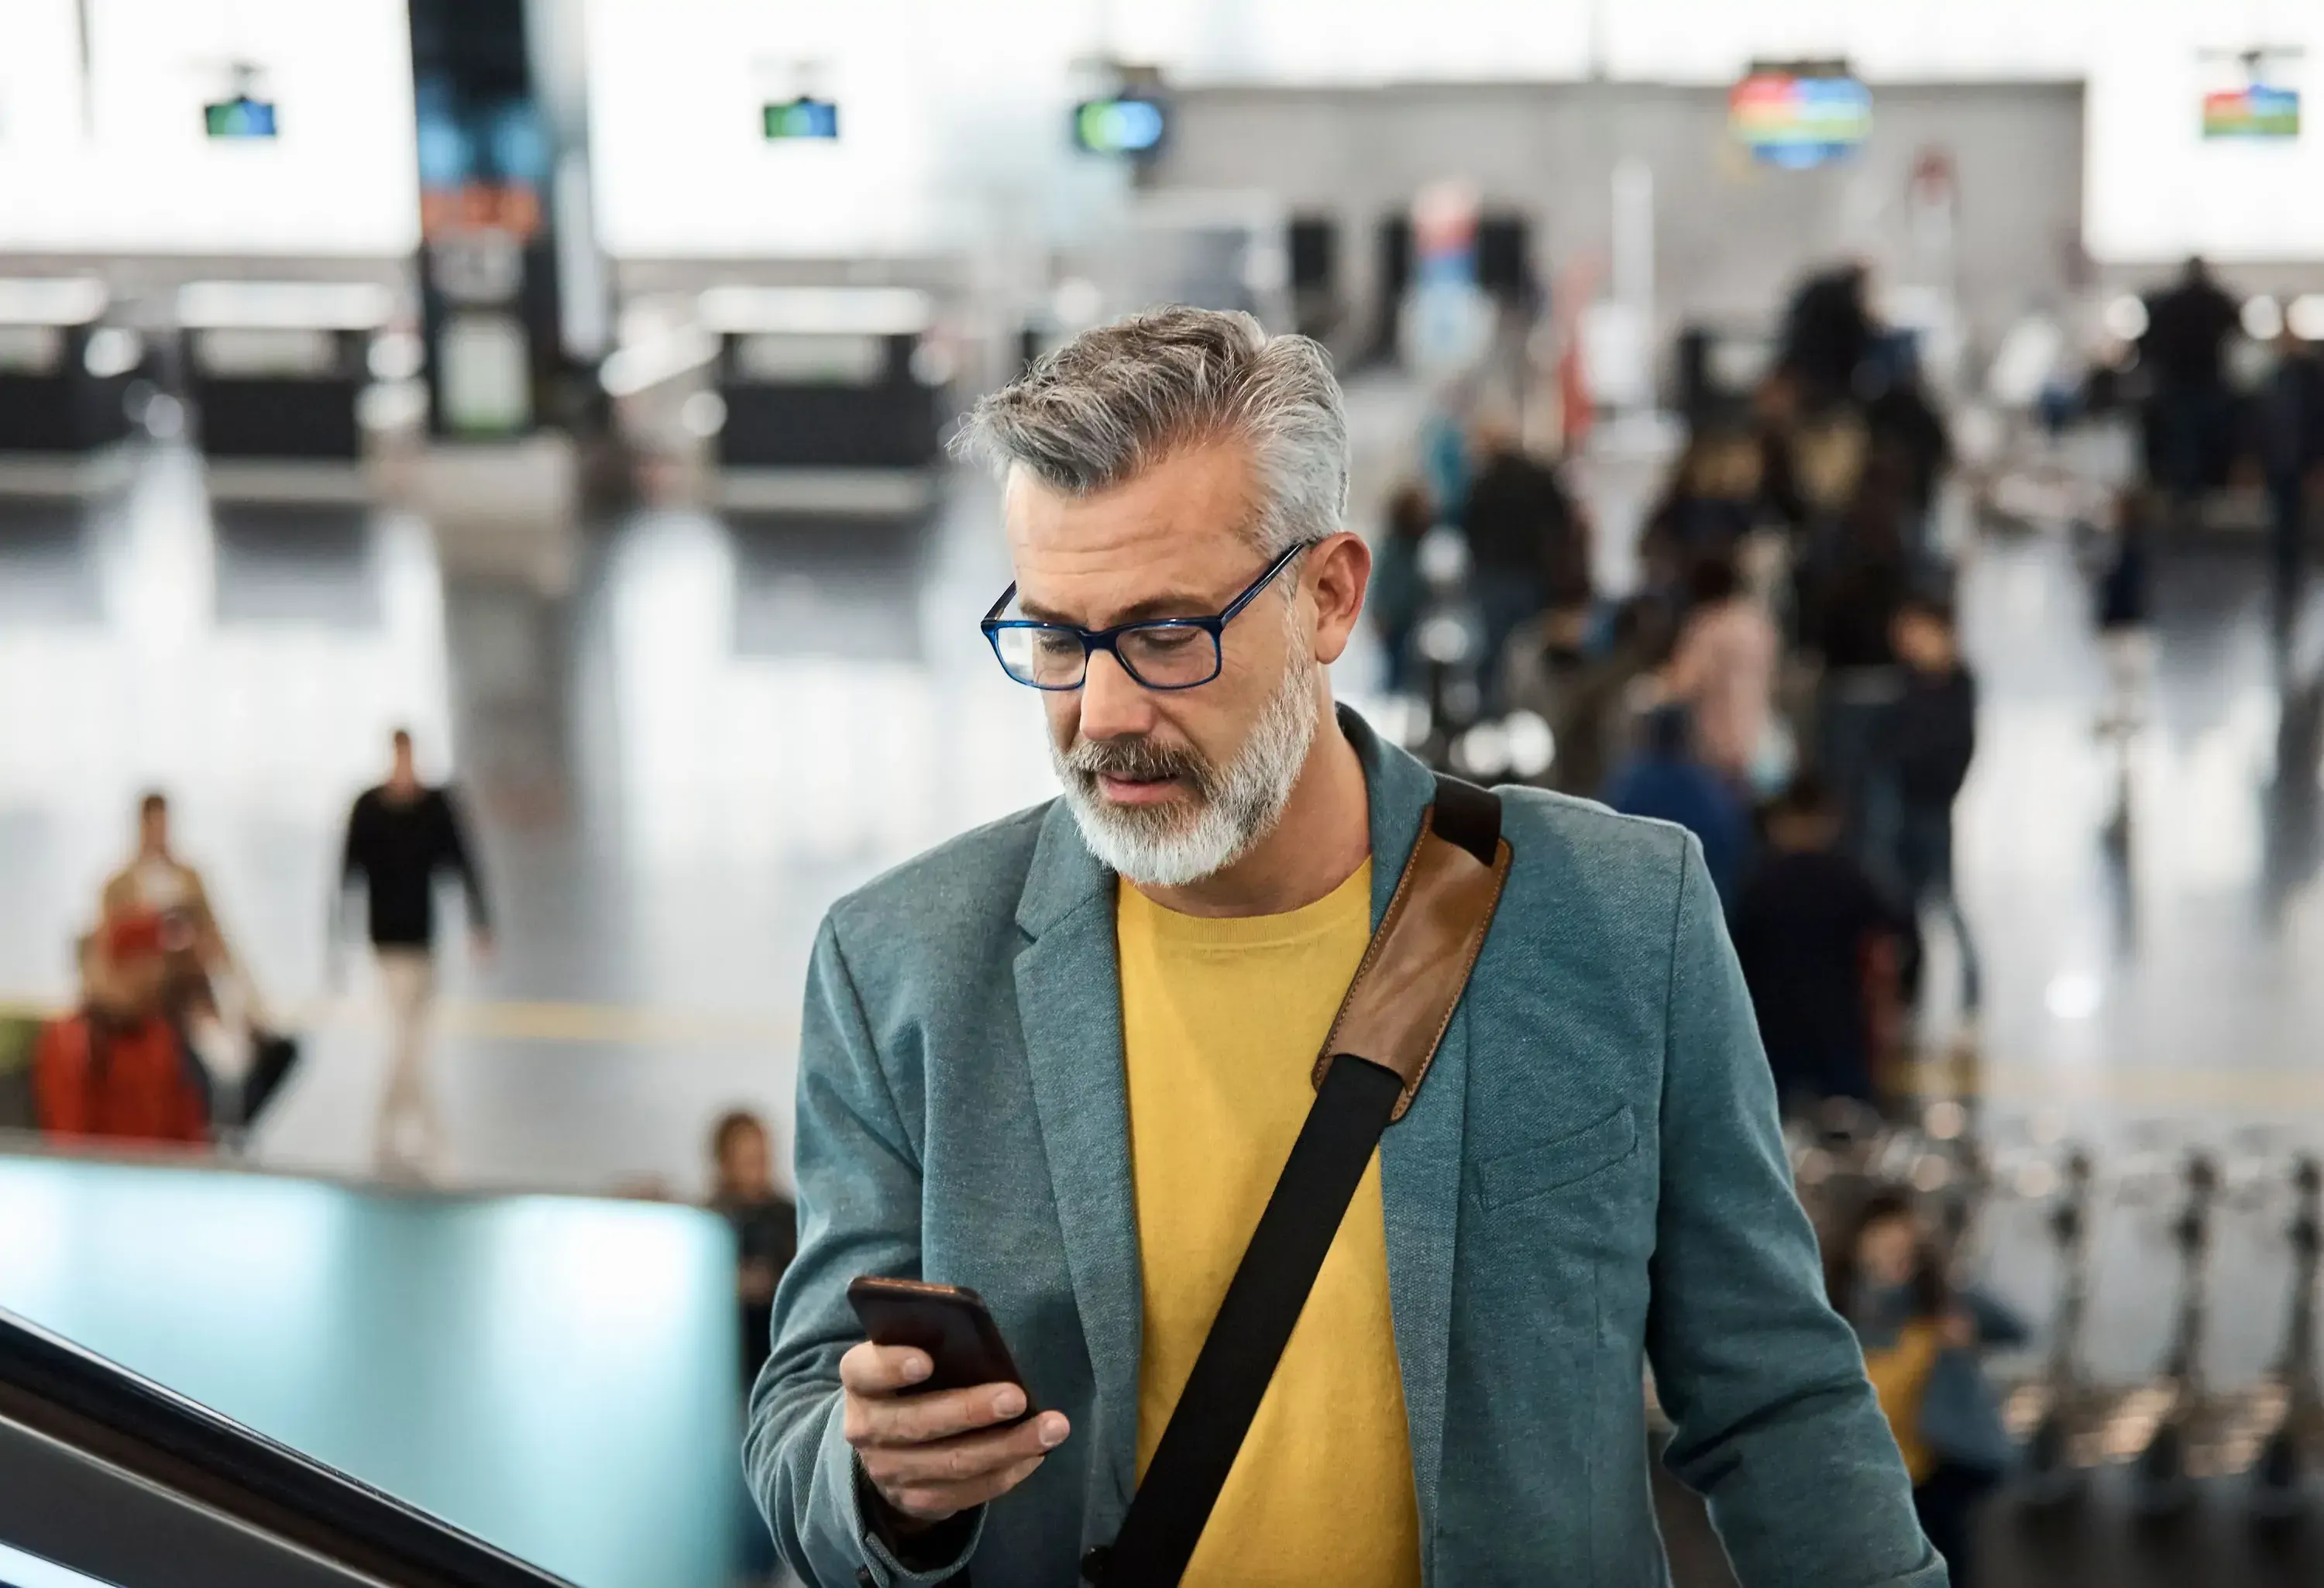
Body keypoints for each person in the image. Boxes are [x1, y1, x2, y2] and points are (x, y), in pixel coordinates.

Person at [745, 307, 1942, 1587]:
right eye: (1053, 638)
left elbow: (1776, 1395)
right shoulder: (902, 971)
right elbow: (799, 1425)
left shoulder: (1617, 918)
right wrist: (884, 1482)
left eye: (1163, 635)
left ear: (1328, 596)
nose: (1100, 714)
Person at [1827, 1191, 2026, 1587]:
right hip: (1859, 1471)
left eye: (1906, 1251)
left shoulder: (1942, 1303)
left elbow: (2015, 1329)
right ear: (1858, 1246)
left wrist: (1967, 1329)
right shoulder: (1835, 1309)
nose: (1895, 1261)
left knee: (1939, 1563)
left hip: (1932, 1469)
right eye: (1885, 1248)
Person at [333, 728, 493, 1177]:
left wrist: (481, 921)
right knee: (408, 1044)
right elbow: (346, 873)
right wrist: (336, 944)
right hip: (387, 940)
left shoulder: (435, 806)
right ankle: (420, 1137)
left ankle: (391, 1135)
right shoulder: (369, 808)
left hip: (425, 939)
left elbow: (463, 862)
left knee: (414, 1042)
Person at [1731, 776, 1920, 1109]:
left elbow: (1733, 962)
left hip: (1772, 1031)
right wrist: (1901, 1000)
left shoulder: (1760, 884)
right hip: (1840, 1030)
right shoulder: (1852, 881)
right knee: (1850, 1127)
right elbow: (1903, 939)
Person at [33, 914, 210, 1146]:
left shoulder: (163, 1036)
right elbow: (69, 1139)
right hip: (99, 1177)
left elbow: (188, 1131)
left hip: (162, 1177)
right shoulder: (72, 1039)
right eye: (139, 964)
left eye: (154, 962)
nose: (154, 974)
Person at [1888, 597, 1981, 1021]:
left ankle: (1972, 998)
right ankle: (1910, 1000)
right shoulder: (1906, 683)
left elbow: (1956, 749)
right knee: (1904, 908)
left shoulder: (1956, 684)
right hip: (1903, 806)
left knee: (1944, 903)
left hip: (1932, 808)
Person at [1459, 413, 1590, 706]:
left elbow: (1467, 527)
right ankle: (1533, 710)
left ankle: (1492, 713)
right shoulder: (1539, 476)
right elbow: (1565, 520)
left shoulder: (1483, 483)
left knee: (1492, 653)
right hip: (1534, 575)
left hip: (1492, 578)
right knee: (1534, 651)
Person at [1604, 701, 1752, 903]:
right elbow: (1731, 843)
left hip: (1639, 901)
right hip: (1702, 900)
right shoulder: (1705, 787)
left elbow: (1608, 839)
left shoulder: (1631, 784)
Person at [1665, 554, 1779, 788]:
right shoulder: (1757, 623)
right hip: (1761, 738)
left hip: (1720, 742)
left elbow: (1684, 683)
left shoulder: (1707, 626)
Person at [2140, 256, 2242, 516]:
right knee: (2203, 440)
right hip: (2201, 384)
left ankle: (2187, 493)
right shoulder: (2214, 301)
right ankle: (2199, 492)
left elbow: (2147, 343)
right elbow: (2238, 328)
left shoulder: (2170, 303)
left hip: (2183, 386)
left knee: (2184, 443)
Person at [711, 1109, 800, 1392]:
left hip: (778, 1357)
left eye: (760, 1158)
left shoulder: (789, 1217)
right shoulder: (711, 1221)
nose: (757, 1168)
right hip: (726, 1358)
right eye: (748, 1160)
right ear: (726, 1161)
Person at [2258, 325, 2324, 627]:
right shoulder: (2277, 377)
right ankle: (2286, 572)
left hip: (2298, 461)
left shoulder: (2308, 379)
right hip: (2280, 461)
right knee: (2283, 521)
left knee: (2296, 520)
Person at [1367, 482, 1432, 693]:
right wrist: (1380, 614)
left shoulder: (1417, 545)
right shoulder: (1395, 547)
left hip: (1411, 615)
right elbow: (1384, 584)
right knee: (1396, 665)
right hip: (1395, 617)